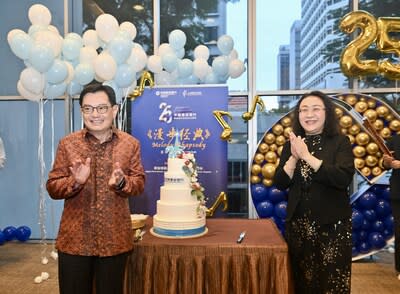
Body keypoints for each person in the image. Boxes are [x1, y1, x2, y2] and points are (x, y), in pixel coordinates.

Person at [46, 83, 145, 294]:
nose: (95, 115)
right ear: (82, 111)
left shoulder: (130, 144)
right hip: (74, 241)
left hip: (114, 240)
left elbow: (139, 183)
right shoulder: (68, 144)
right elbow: (53, 187)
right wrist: (76, 182)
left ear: (114, 110)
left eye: (101, 108)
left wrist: (121, 183)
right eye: (88, 109)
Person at [273, 91, 355, 293]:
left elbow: (342, 178)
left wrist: (306, 156)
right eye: (304, 110)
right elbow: (280, 183)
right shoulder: (291, 145)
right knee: (302, 282)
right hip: (299, 227)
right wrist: (293, 156)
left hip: (332, 226)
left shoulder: (340, 142)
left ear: (327, 113)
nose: (309, 114)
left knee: (330, 282)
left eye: (315, 109)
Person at [382, 135, 400, 280]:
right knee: (399, 231)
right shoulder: (394, 140)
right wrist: (387, 162)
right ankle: (399, 269)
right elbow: (385, 163)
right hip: (398, 192)